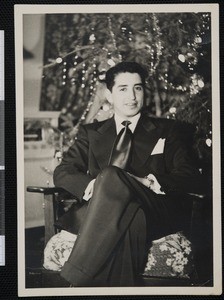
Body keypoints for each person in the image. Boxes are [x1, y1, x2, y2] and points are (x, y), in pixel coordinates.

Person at [53, 61, 203, 287]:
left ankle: (76, 279)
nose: (132, 96)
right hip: (105, 211)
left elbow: (189, 175)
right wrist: (95, 185)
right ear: (110, 95)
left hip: (154, 208)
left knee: (112, 175)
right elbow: (64, 171)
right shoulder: (91, 133)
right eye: (123, 88)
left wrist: (149, 182)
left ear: (144, 91)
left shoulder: (169, 130)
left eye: (138, 87)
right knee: (128, 212)